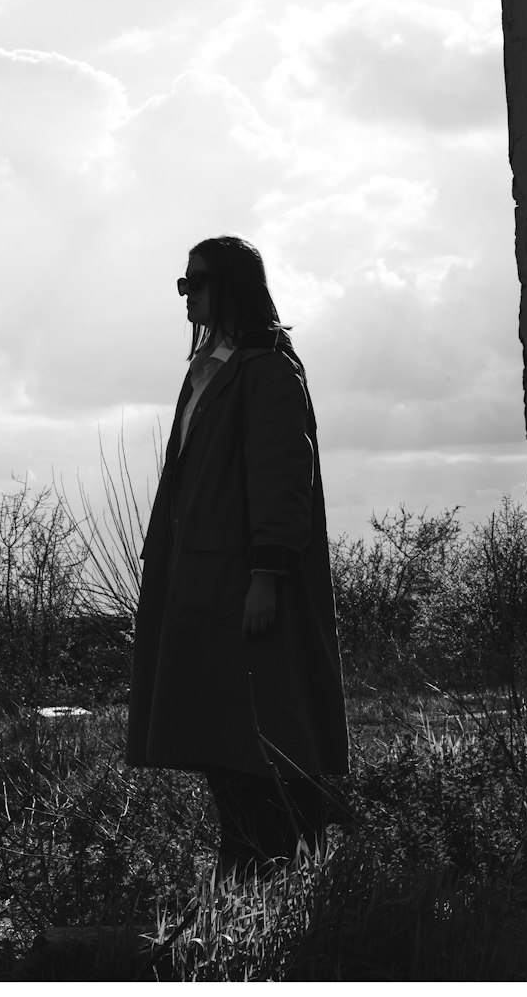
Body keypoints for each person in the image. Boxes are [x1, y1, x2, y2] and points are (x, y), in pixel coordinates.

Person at [126, 235, 349, 879]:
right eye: (182, 282)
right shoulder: (211, 367)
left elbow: (283, 475)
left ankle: (279, 862)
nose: (186, 293)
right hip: (199, 574)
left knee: (257, 722)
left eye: (196, 281)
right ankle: (254, 861)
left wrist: (267, 574)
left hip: (242, 579)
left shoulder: (268, 367)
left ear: (231, 285)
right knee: (216, 724)